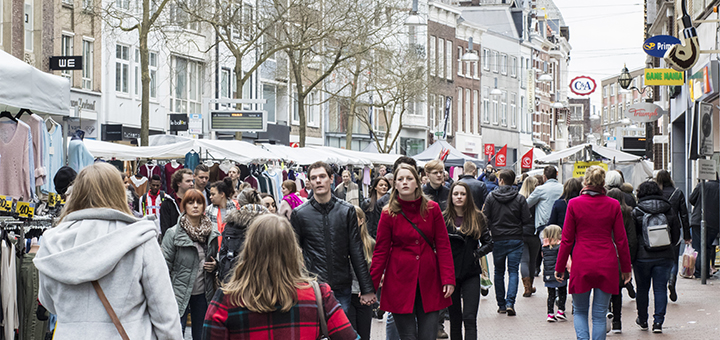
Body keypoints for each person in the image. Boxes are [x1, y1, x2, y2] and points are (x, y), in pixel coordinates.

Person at [34, 163, 182, 339]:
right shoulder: (139, 238)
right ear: (119, 192)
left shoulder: (53, 240)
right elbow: (164, 314)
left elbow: (48, 301)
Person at [203, 214, 359, 339]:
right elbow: (349, 336)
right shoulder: (319, 294)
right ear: (293, 249)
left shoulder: (227, 299)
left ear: (249, 250)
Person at [370, 163, 455, 340]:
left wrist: (448, 278)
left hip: (429, 280)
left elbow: (443, 245)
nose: (405, 182)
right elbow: (380, 252)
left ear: (417, 182)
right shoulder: (388, 213)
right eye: (400, 179)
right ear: (395, 185)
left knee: (428, 336)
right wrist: (370, 286)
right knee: (407, 337)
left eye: (409, 178)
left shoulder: (432, 209)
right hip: (399, 281)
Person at [555, 166, 632, 340]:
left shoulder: (574, 204)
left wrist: (559, 266)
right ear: (603, 182)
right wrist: (626, 268)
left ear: (585, 181)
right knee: (599, 314)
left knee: (580, 312)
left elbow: (567, 239)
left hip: (582, 261)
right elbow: (621, 240)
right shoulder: (613, 205)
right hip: (607, 262)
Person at [291, 161, 376, 313]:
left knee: (340, 331)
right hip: (313, 286)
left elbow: (356, 250)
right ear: (309, 182)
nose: (318, 180)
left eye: (322, 176)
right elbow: (293, 252)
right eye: (314, 177)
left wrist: (367, 287)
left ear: (331, 179)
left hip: (341, 285)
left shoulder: (347, 211)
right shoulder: (300, 214)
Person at [161, 189, 220, 340]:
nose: (195, 206)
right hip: (179, 293)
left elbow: (216, 258)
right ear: (184, 205)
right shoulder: (173, 233)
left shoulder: (211, 232)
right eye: (191, 202)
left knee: (201, 335)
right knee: (176, 334)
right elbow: (163, 266)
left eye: (199, 202)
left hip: (203, 293)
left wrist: (215, 265)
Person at [444, 182, 493, 340]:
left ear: (468, 197)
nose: (459, 197)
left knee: (470, 318)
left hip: (471, 272)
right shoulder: (444, 218)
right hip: (450, 274)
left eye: (463, 194)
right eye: (456, 194)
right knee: (455, 319)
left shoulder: (477, 217)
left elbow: (489, 243)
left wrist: (475, 254)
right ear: (451, 196)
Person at [632, 181, 680, 333]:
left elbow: (633, 237)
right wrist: (669, 246)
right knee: (660, 289)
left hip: (642, 257)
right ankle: (658, 322)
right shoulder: (668, 209)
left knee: (642, 289)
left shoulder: (637, 211)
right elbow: (676, 233)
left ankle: (643, 319)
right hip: (664, 255)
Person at [482, 169, 532, 316]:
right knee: (513, 271)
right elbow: (526, 219)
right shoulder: (519, 198)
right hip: (516, 238)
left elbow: (485, 218)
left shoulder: (491, 197)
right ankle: (510, 302)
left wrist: (491, 229)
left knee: (499, 272)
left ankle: (501, 304)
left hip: (497, 238)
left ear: (501, 180)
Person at [655, 170, 692, 302]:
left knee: (660, 258)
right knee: (674, 259)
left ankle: (662, 282)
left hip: (657, 229)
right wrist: (687, 235)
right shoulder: (678, 193)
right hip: (674, 230)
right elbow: (684, 215)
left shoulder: (656, 193)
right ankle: (672, 280)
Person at [606, 188, 638, 333]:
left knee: (604, 288)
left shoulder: (604, 212)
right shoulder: (627, 214)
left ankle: (607, 314)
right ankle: (617, 322)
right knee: (617, 290)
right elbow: (631, 239)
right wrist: (628, 259)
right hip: (619, 255)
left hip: (605, 253)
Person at [216, 204, 268, 282]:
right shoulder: (265, 229)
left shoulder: (230, 226)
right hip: (262, 279)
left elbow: (223, 255)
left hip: (232, 278)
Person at [348, 207, 376, 340]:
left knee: (364, 335)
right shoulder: (341, 242)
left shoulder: (370, 243)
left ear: (361, 220)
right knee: (350, 334)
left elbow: (376, 269)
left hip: (364, 295)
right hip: (347, 294)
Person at [688, 176, 719, 279]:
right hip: (714, 223)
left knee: (698, 247)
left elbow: (691, 199)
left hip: (698, 220)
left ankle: (699, 272)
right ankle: (705, 272)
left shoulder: (702, 185)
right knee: (707, 247)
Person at [518, 176, 540, 297]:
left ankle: (526, 288)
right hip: (534, 233)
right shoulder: (538, 199)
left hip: (521, 232)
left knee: (524, 260)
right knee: (532, 260)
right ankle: (530, 286)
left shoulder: (519, 198)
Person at [526, 166, 564, 236]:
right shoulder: (563, 187)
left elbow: (527, 204)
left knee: (545, 245)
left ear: (544, 176)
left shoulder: (540, 189)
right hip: (560, 225)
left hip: (544, 225)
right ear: (556, 175)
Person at [541, 225, 567, 323]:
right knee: (562, 291)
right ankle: (561, 310)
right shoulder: (560, 246)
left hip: (548, 273)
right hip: (558, 272)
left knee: (550, 294)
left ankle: (550, 313)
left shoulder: (544, 248)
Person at [160, 168, 194, 236]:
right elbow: (165, 228)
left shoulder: (194, 200)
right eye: (188, 181)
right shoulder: (168, 202)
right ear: (178, 183)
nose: (191, 184)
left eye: (192, 181)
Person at [207, 178, 240, 247]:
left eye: (213, 194)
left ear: (222, 194)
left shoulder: (236, 208)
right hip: (215, 248)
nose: (210, 197)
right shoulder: (208, 211)